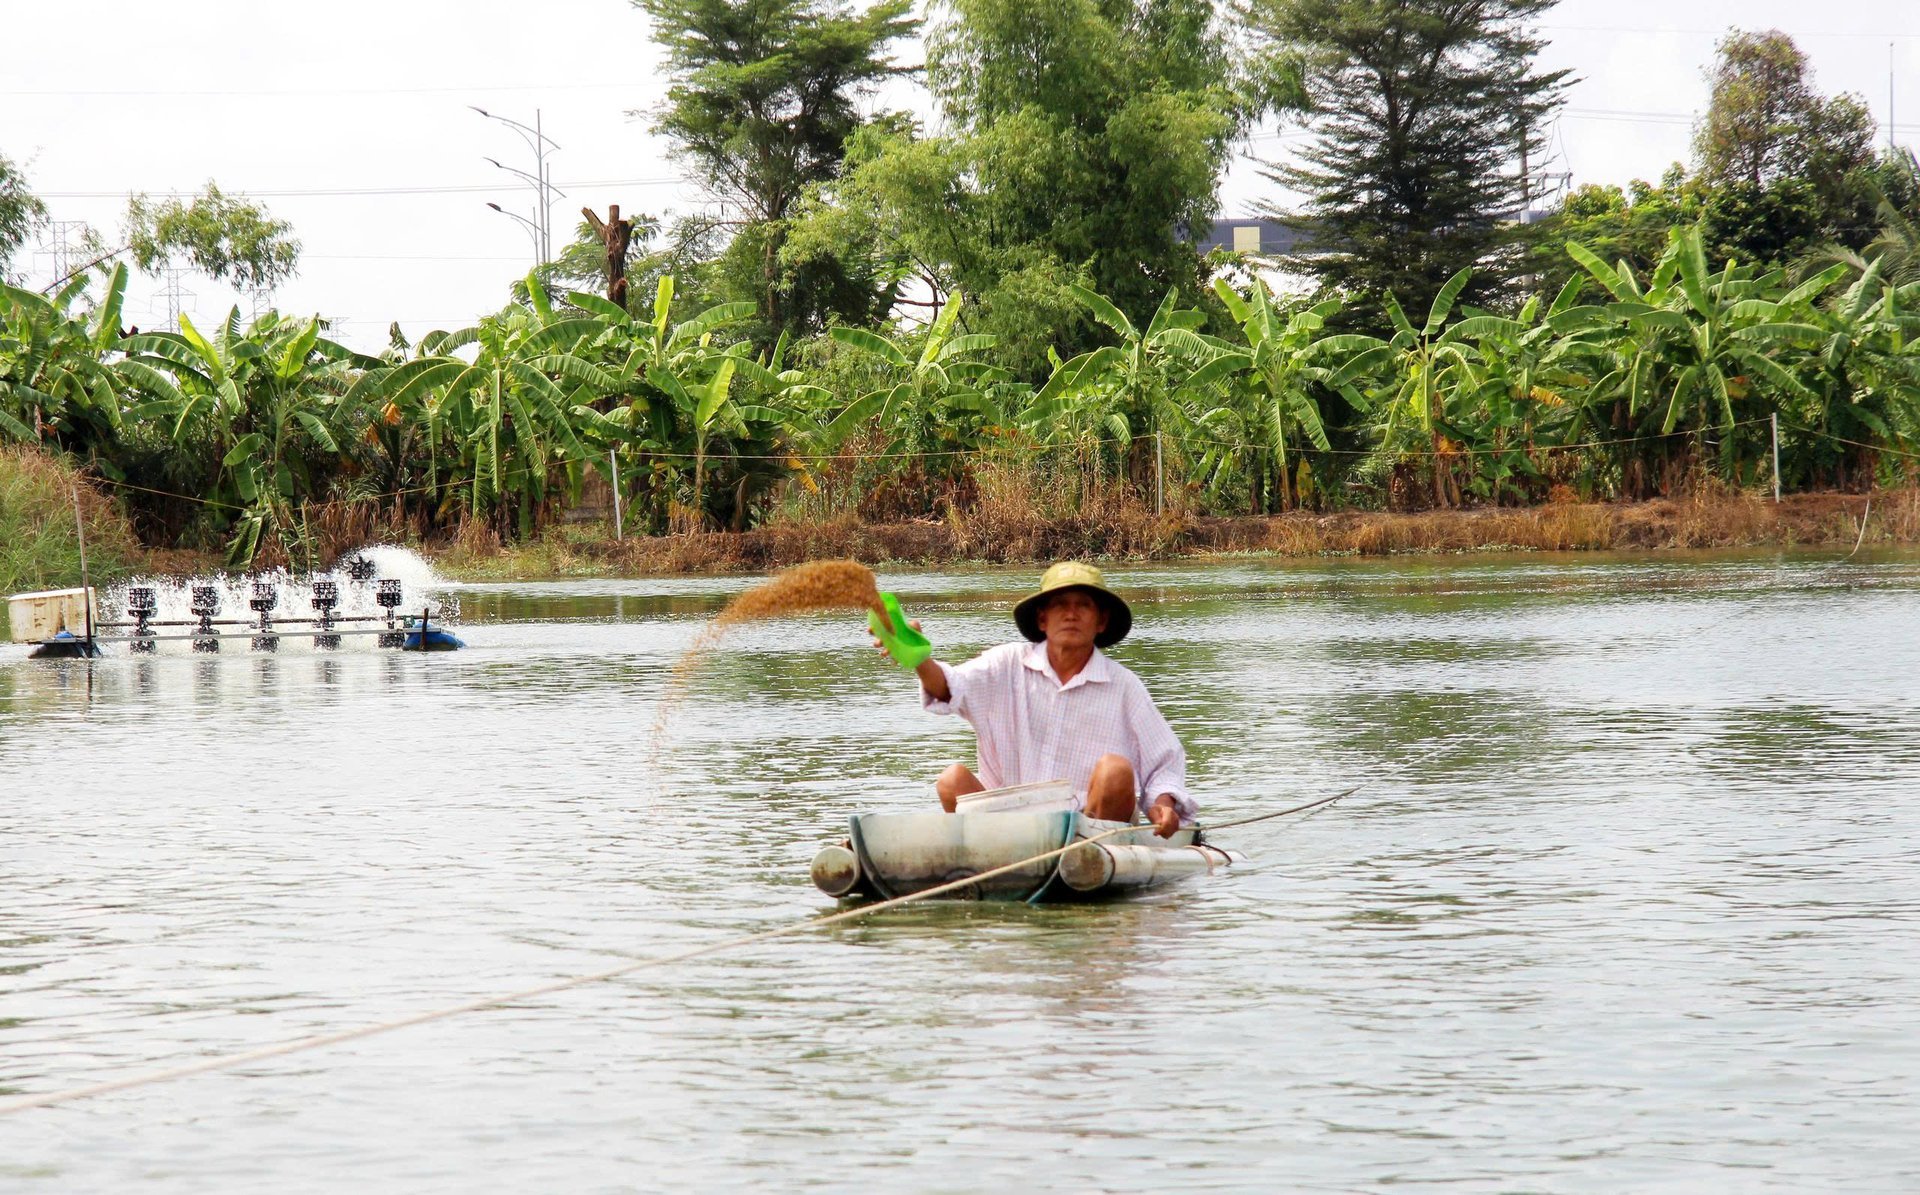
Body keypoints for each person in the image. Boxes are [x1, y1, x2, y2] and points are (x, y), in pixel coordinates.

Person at [876, 561, 1193, 838]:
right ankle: (999, 862)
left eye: (1083, 605)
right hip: (1013, 828)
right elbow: (950, 687)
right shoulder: (1006, 664)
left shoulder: (1124, 686)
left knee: (1115, 771)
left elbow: (1165, 760)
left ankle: (1088, 861)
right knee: (951, 780)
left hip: (1095, 827)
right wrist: (918, 658)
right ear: (1042, 619)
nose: (1071, 614)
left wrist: (1163, 805)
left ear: (1101, 621)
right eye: (1060, 605)